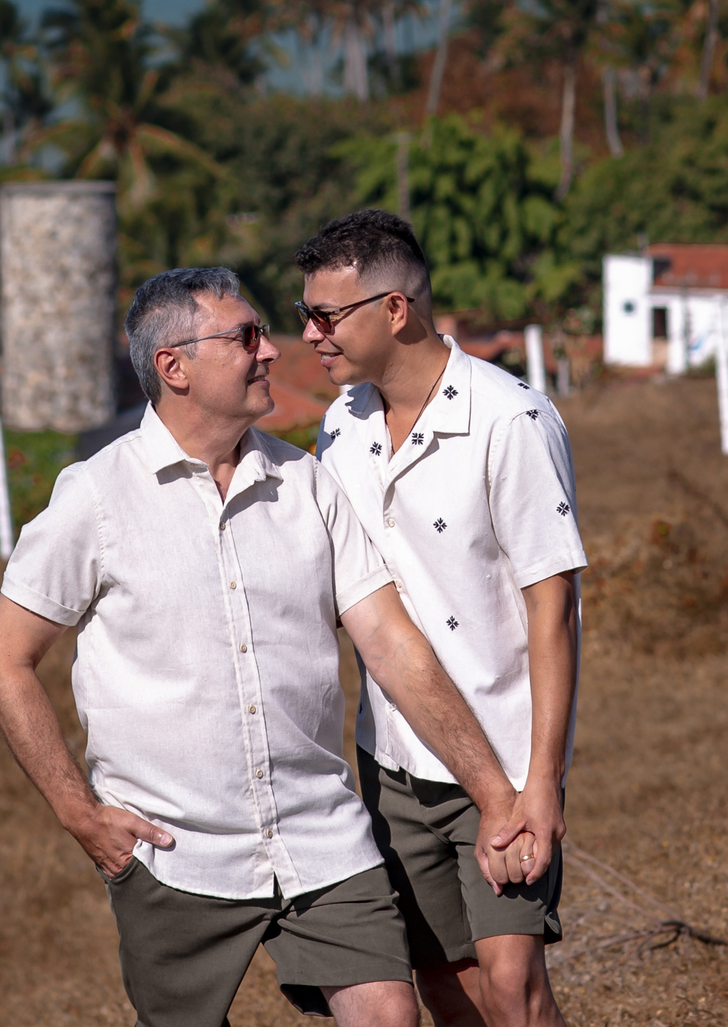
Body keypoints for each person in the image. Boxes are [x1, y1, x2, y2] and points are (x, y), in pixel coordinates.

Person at [0, 265, 532, 1027]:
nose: (272, 350)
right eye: (245, 337)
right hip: (174, 855)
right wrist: (79, 813)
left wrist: (496, 793)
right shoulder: (96, 497)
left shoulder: (307, 484)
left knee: (390, 1016)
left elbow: (395, 647)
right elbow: (1, 659)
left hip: (322, 838)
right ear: (174, 367)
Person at [297, 211, 586, 1027]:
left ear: (395, 310)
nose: (311, 335)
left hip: (501, 754)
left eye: (327, 316)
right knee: (446, 991)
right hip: (389, 759)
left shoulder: (511, 419)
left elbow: (554, 608)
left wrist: (543, 782)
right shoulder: (340, 425)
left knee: (513, 991)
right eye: (304, 317)